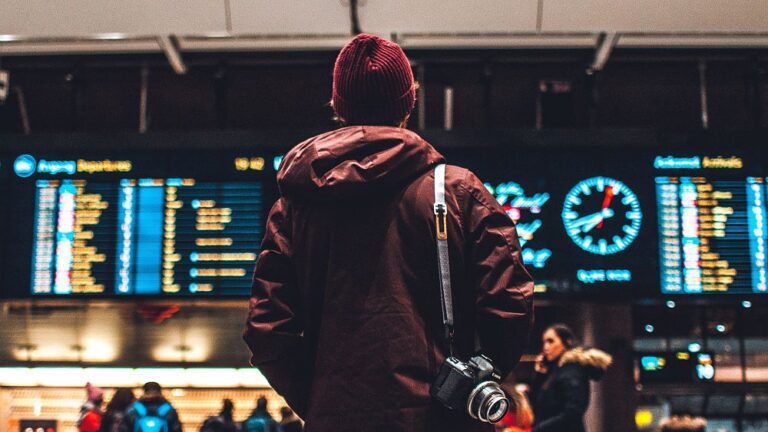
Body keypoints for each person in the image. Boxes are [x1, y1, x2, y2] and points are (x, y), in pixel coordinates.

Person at [243, 33, 534, 432]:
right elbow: (510, 303)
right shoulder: (457, 191)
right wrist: (472, 379)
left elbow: (267, 330)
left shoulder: (295, 206)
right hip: (440, 421)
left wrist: (321, 402)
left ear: (338, 105)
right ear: (408, 102)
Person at [530, 324, 612, 432]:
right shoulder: (557, 371)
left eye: (551, 341)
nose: (545, 347)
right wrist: (540, 375)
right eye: (544, 342)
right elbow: (536, 404)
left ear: (567, 343)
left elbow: (573, 413)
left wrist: (540, 429)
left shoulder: (571, 372)